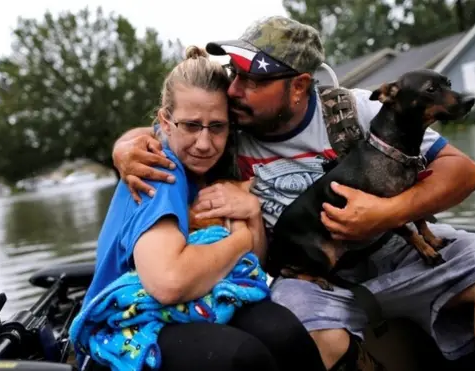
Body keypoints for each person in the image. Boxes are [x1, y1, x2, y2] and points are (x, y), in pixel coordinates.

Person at [109, 17, 475, 371]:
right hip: (307, 275)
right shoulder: (225, 124)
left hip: (400, 253)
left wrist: (387, 212)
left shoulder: (359, 109)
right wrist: (125, 148)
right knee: (293, 328)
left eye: (253, 79)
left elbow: (463, 171)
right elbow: (163, 131)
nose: (235, 90)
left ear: (299, 86)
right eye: (235, 74)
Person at [80, 45, 327, 371]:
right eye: (192, 126)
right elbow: (168, 282)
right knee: (241, 358)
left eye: (217, 126)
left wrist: (251, 211)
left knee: (287, 335)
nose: (204, 143)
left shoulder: (219, 166)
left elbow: (258, 262)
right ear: (165, 123)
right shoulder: (156, 168)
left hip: (204, 296)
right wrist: (240, 240)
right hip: (126, 318)